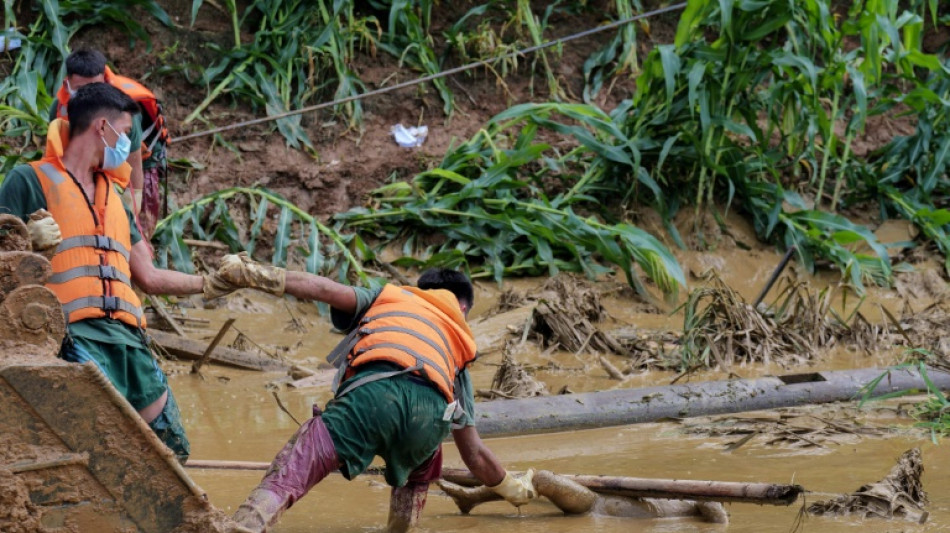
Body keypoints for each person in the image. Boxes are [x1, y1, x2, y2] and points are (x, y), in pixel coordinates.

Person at [0, 82, 237, 462]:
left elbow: (150, 277)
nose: (127, 146)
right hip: (68, 334)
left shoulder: (114, 196)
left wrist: (213, 283)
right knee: (105, 448)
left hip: (127, 339)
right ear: (102, 129)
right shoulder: (28, 181)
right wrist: (23, 240)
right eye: (125, 133)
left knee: (172, 449)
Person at [214, 254, 536, 532]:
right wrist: (512, 488)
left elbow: (325, 289)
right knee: (425, 461)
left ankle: (246, 525)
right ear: (463, 308)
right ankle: (402, 527)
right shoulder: (457, 352)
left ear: (419, 290)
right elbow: (474, 454)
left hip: (371, 398)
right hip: (428, 419)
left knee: (291, 472)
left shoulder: (390, 296)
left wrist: (252, 273)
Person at [51, 48, 169, 239]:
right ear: (68, 85)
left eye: (96, 88)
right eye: (82, 90)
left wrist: (134, 200)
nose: (91, 97)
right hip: (94, 158)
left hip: (139, 161)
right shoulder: (60, 108)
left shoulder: (125, 114)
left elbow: (134, 162)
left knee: (139, 229)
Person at [440, 469, 729, 523]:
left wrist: (711, 493)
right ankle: (471, 497)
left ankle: (470, 497)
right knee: (537, 480)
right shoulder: (682, 494)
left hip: (599, 512)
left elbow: (717, 517)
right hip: (597, 503)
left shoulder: (697, 501)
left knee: (540, 480)